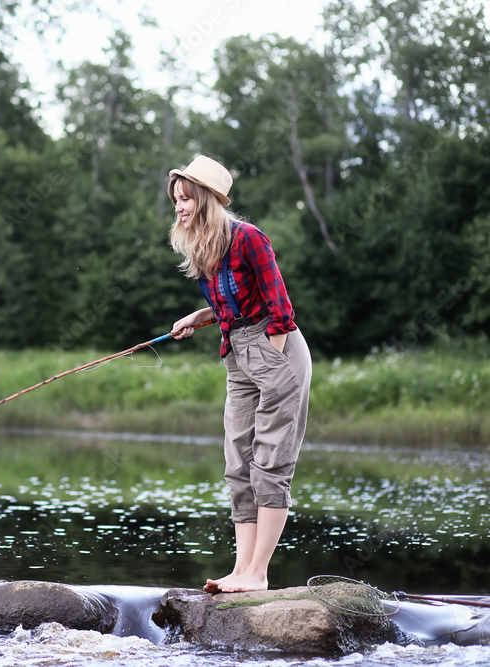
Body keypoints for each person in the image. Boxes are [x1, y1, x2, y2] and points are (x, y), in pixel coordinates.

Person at [166, 155, 312, 594]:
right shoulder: (205, 245)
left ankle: (258, 573)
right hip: (236, 352)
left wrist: (272, 354)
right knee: (238, 462)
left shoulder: (248, 238)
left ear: (207, 199)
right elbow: (233, 305)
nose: (179, 208)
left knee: (270, 462)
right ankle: (241, 567)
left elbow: (279, 305)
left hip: (274, 348)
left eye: (186, 199)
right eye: (175, 200)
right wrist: (199, 316)